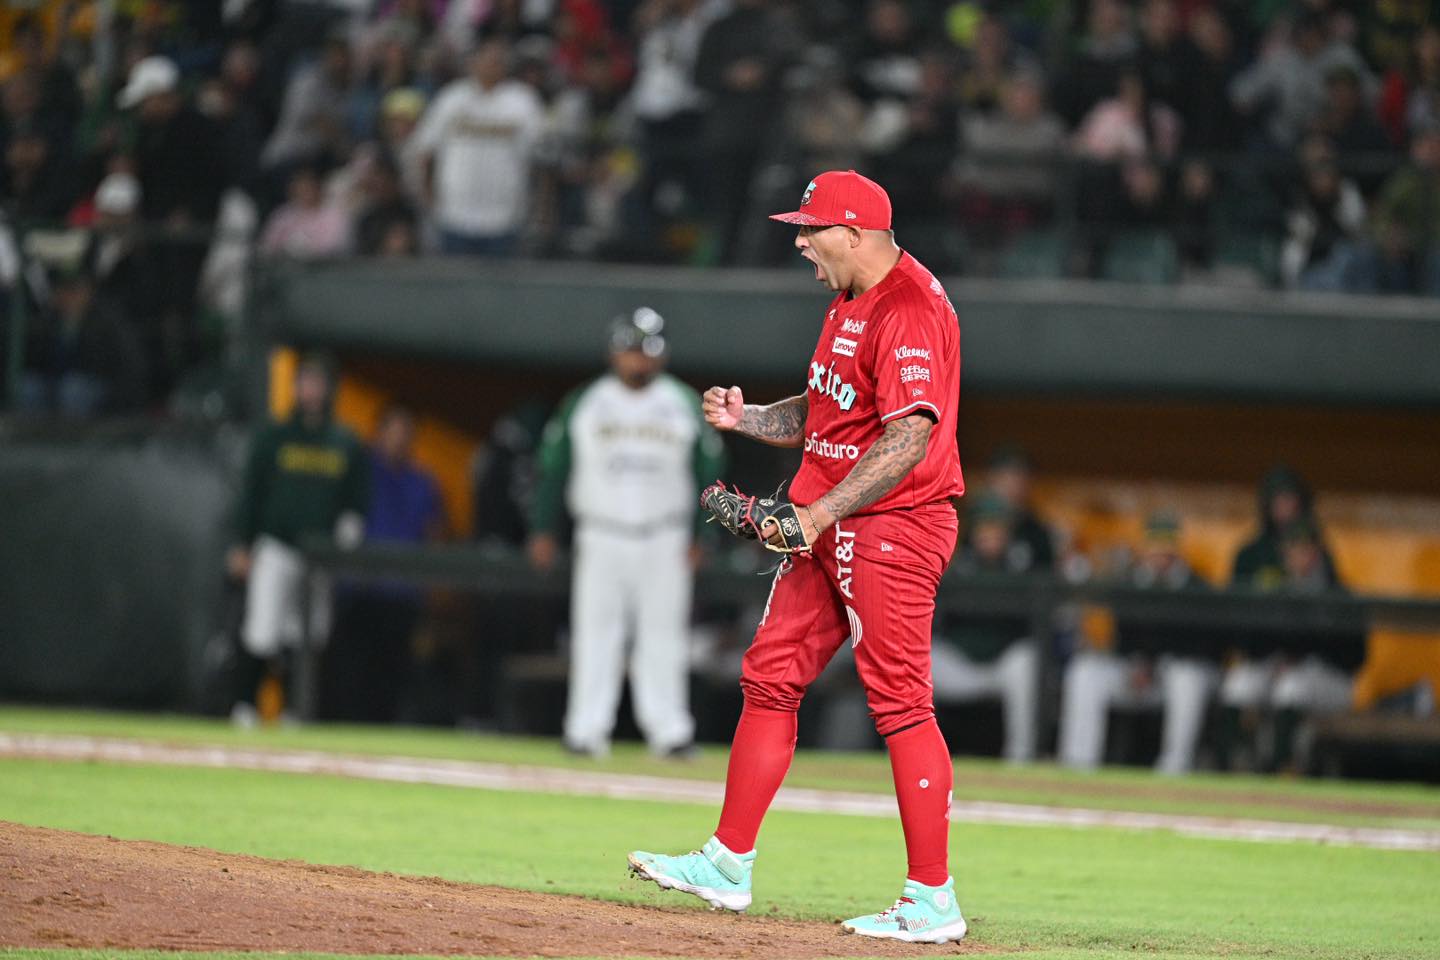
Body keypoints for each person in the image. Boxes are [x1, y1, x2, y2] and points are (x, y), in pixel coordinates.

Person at [628, 170, 969, 943]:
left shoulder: (908, 308)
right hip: (830, 515)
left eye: (813, 230)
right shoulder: (850, 296)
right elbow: (827, 412)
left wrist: (817, 514)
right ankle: (727, 863)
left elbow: (909, 436)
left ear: (853, 234)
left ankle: (932, 899)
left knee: (901, 700)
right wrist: (751, 418)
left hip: (893, 522)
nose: (801, 242)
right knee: (770, 674)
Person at [528, 308, 725, 758]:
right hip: (601, 532)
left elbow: (709, 471)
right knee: (596, 634)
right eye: (631, 350)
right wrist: (544, 528)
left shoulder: (682, 403)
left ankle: (670, 731)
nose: (638, 360)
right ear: (613, 352)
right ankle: (584, 730)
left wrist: (703, 534)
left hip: (665, 535)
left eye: (647, 352)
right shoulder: (587, 401)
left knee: (664, 635)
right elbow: (553, 468)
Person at [227, 355, 369, 727]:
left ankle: (294, 711)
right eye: (305, 382)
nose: (311, 391)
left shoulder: (343, 442)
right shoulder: (274, 437)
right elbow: (252, 495)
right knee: (262, 629)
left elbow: (356, 499)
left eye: (317, 383)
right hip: (276, 546)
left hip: (318, 555)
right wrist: (243, 543)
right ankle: (245, 706)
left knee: (307, 636)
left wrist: (348, 533)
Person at [1058, 510, 1218, 774]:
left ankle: (1175, 769)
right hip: (1134, 671)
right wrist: (1137, 664)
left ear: (1176, 548)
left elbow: (1204, 644)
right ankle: (1077, 765)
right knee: (1084, 671)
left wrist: (1155, 664)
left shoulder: (1195, 586)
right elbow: (1122, 637)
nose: (1159, 554)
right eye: (1155, 546)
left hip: (1172, 673)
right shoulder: (1131, 580)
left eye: (1166, 546)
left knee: (1187, 678)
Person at [323, 404, 444, 723]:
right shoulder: (358, 473)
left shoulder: (422, 482)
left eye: (407, 431)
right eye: (394, 429)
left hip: (402, 597)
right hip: (359, 594)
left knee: (391, 686)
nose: (400, 438)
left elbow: (434, 536)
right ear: (379, 432)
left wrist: (433, 600)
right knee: (350, 683)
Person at [931, 492, 1042, 764]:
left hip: (1003, 667)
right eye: (985, 527)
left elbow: (1034, 626)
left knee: (1025, 661)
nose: (991, 535)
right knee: (922, 657)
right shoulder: (955, 565)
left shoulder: (1022, 569)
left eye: (997, 528)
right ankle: (911, 754)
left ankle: (1021, 758)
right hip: (961, 665)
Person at [407, 37, 545, 256]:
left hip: (505, 216)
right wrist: (427, 195)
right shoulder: (452, 97)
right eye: (487, 60)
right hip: (454, 214)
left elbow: (540, 156)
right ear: (473, 63)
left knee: (502, 289)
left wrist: (537, 204)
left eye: (498, 61)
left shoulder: (522, 100)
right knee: (454, 287)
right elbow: (425, 148)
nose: (492, 66)